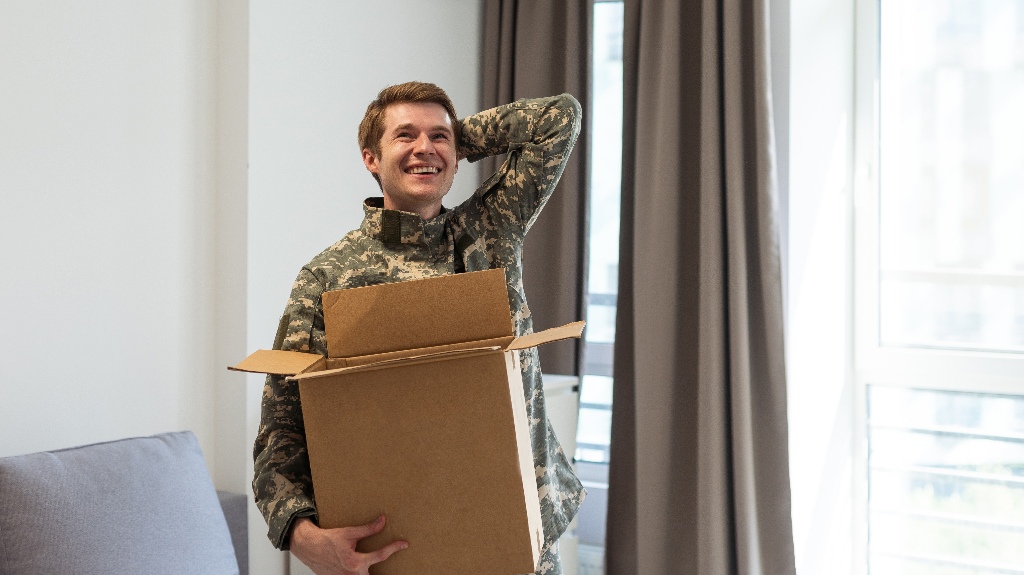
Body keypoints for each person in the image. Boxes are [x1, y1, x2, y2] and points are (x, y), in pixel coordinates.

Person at [253, 81, 585, 575]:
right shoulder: (327, 279)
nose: (424, 147)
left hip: (521, 542)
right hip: (400, 553)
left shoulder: (490, 232)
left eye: (438, 137)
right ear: (370, 158)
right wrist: (302, 538)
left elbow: (560, 118)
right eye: (403, 136)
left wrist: (449, 142)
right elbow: (280, 432)